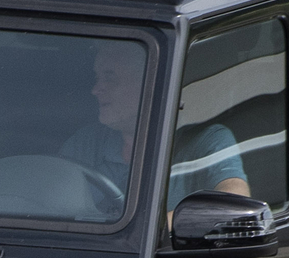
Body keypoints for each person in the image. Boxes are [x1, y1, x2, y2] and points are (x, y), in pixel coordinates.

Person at [58, 40, 250, 207]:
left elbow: (233, 203)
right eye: (97, 77)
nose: (95, 89)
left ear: (150, 82)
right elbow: (47, 204)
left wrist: (179, 225)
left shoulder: (207, 141)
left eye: (110, 78)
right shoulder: (85, 143)